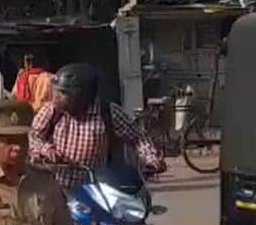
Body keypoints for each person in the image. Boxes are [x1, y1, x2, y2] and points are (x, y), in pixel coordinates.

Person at [29, 63, 165, 191]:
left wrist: (151, 159)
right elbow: (33, 136)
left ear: (79, 95)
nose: (56, 98)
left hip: (95, 188)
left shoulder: (108, 113)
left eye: (63, 94)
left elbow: (138, 137)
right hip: (57, 187)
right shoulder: (52, 110)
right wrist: (46, 149)